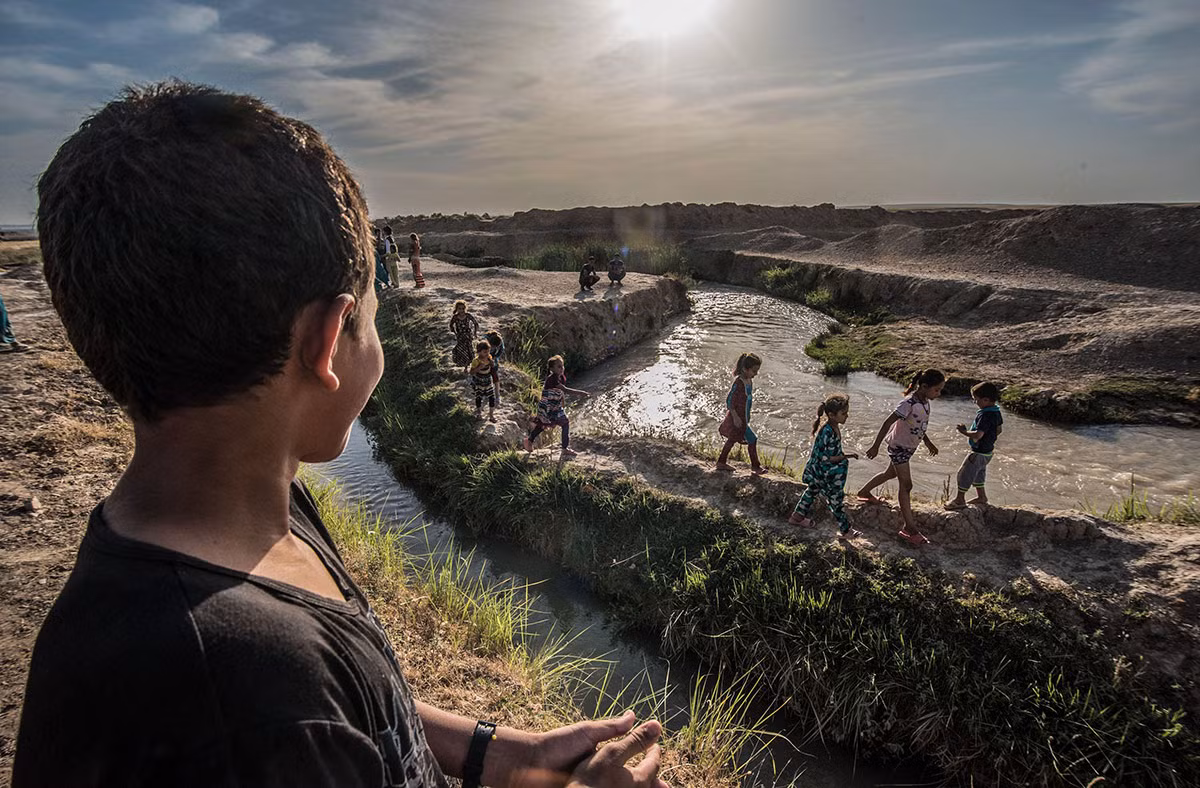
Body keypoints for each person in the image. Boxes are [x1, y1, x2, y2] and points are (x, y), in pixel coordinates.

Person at [14, 80, 666, 788]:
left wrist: (499, 752)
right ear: (328, 342)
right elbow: (304, 719)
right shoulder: (241, 699)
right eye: (376, 320)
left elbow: (357, 711)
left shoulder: (256, 508)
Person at [855, 368, 946, 545]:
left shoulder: (925, 402)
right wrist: (875, 446)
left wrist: (927, 441)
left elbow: (918, 425)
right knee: (907, 485)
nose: (939, 393)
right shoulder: (908, 404)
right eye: (937, 390)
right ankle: (909, 528)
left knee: (890, 473)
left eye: (940, 390)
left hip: (909, 447)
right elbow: (887, 423)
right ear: (925, 386)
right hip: (898, 447)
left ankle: (864, 492)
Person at [788, 394, 861, 538]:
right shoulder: (827, 431)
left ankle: (797, 517)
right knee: (836, 500)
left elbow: (831, 452)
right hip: (824, 472)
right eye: (844, 413)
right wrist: (845, 456)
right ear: (832, 415)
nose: (847, 416)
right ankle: (846, 530)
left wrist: (845, 456)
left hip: (820, 471)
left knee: (812, 491)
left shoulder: (833, 427)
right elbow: (825, 458)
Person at [945, 382, 1004, 510]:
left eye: (976, 400)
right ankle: (981, 497)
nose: (975, 402)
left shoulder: (985, 415)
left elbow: (978, 435)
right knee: (979, 474)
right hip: (988, 452)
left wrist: (964, 432)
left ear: (986, 400)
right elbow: (999, 430)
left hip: (978, 451)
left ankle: (960, 499)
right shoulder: (996, 411)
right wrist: (990, 439)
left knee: (964, 473)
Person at [523, 354, 589, 458]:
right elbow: (564, 389)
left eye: (562, 366)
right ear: (552, 369)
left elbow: (560, 392)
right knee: (554, 424)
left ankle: (531, 440)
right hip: (548, 407)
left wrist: (561, 402)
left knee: (546, 424)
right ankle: (563, 448)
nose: (561, 368)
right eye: (558, 366)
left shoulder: (561, 376)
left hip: (554, 406)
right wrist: (580, 393)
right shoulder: (552, 378)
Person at [714, 353, 767, 475]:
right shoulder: (739, 383)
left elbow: (747, 401)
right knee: (752, 439)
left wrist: (747, 416)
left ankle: (721, 462)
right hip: (737, 419)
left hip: (744, 418)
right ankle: (755, 466)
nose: (756, 374)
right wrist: (736, 417)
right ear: (745, 369)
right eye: (754, 371)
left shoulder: (748, 381)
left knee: (732, 440)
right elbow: (729, 401)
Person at [467, 341, 500, 422]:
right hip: (479, 382)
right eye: (485, 352)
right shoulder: (476, 361)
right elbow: (471, 372)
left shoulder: (489, 357)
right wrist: (479, 367)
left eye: (488, 351)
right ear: (479, 352)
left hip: (488, 381)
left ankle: (491, 415)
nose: (487, 353)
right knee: (479, 397)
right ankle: (479, 413)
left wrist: (492, 363)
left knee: (491, 398)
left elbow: (492, 367)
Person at [449, 299, 480, 367]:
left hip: (468, 336)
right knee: (461, 350)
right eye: (459, 308)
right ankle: (463, 365)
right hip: (460, 336)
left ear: (465, 308)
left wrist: (475, 333)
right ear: (457, 309)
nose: (461, 310)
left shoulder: (468, 315)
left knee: (469, 350)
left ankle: (468, 365)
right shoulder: (455, 317)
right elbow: (451, 325)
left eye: (463, 308)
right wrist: (454, 332)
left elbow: (475, 323)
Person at [382, 224, 403, 288]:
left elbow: (388, 249)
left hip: (389, 257)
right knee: (395, 272)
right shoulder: (392, 238)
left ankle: (394, 283)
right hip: (394, 256)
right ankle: (396, 283)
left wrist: (384, 256)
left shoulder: (387, 239)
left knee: (390, 271)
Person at [374, 226, 392, 291]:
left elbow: (384, 248)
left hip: (382, 256)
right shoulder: (374, 241)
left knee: (384, 270)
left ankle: (387, 283)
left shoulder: (383, 241)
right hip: (377, 257)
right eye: (378, 233)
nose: (379, 234)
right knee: (378, 271)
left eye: (380, 233)